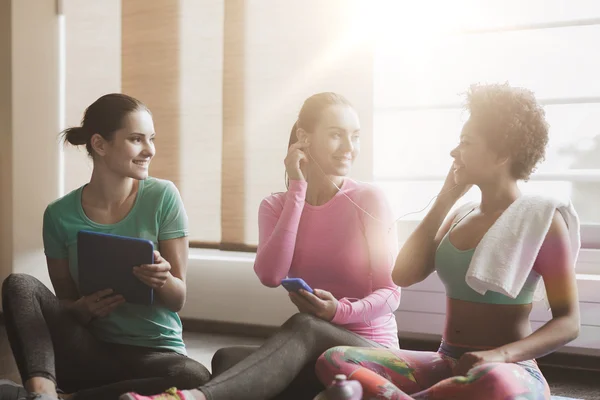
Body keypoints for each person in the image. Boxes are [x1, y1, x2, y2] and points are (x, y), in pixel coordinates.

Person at [120, 92, 402, 400]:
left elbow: (392, 294)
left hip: (373, 351)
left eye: (355, 137)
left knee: (305, 327)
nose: (349, 148)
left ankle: (190, 399)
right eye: (337, 135)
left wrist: (339, 311)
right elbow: (270, 275)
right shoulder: (275, 205)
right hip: (321, 351)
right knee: (227, 360)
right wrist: (298, 187)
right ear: (304, 139)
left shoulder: (369, 200)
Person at [315, 83, 581, 399]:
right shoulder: (460, 214)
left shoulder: (542, 220)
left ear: (502, 153)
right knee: (335, 359)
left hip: (509, 372)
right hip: (447, 362)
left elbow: (569, 322)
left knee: (493, 382)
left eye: (466, 143)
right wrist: (446, 197)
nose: (454, 152)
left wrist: (500, 356)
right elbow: (404, 275)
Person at [1, 94, 210, 400]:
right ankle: (41, 389)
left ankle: (62, 399)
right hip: (89, 351)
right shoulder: (59, 215)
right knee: (19, 284)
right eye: (136, 139)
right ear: (100, 145)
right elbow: (66, 304)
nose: (149, 150)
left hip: (153, 355)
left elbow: (178, 299)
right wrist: (83, 310)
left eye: (151, 139)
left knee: (194, 376)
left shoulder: (162, 196)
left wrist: (163, 279)